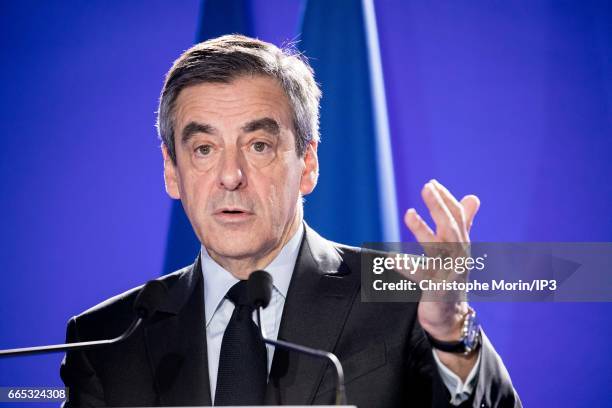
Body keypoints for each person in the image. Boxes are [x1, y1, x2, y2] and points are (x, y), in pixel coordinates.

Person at [60, 34, 520, 407]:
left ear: (308, 163)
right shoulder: (106, 340)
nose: (230, 176)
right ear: (171, 170)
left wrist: (452, 334)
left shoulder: (401, 300)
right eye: (203, 149)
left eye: (258, 145)